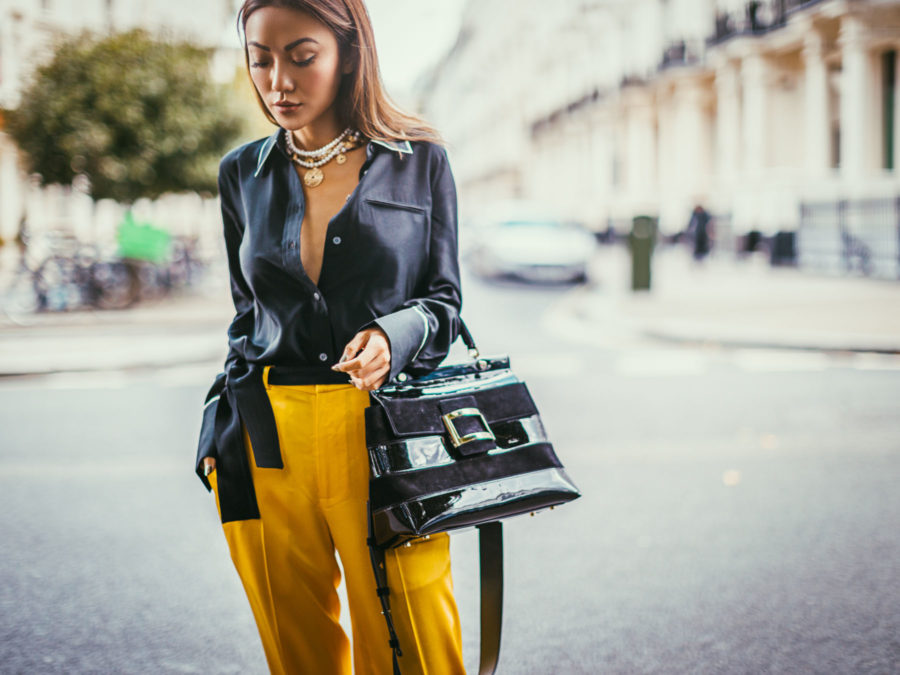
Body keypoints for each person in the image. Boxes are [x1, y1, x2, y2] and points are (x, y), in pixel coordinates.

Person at [194, 1, 466, 673]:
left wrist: (393, 334)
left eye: (301, 56)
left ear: (348, 52)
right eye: (261, 59)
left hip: (383, 433)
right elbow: (245, 314)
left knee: (416, 647)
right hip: (265, 438)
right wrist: (215, 438)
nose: (277, 81)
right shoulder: (240, 174)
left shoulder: (418, 157)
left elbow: (444, 302)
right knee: (298, 653)